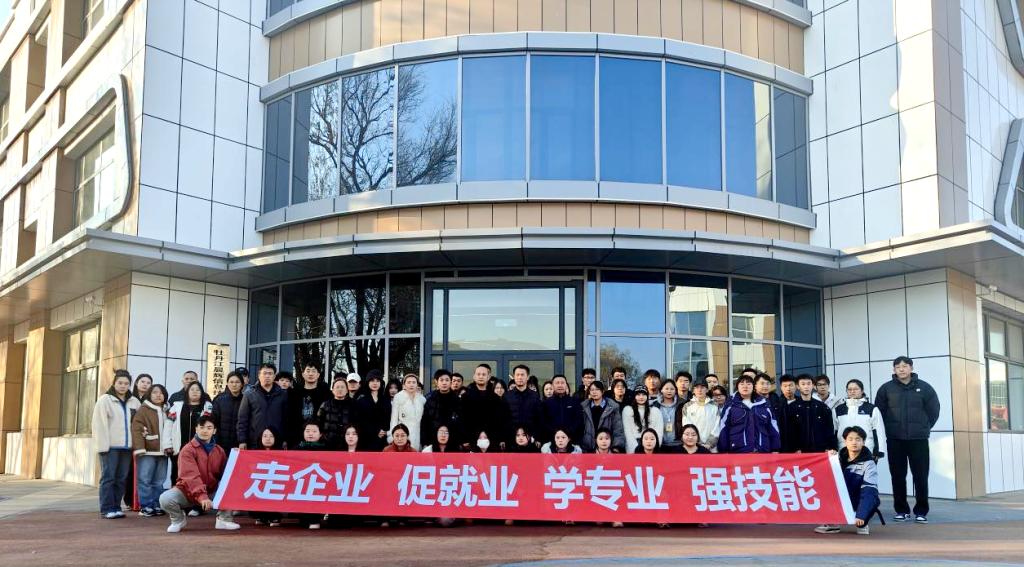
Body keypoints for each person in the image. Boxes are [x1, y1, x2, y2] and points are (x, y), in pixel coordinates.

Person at [875, 356, 940, 523]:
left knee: (920, 476)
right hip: (895, 439)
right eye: (898, 367)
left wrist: (924, 427)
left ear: (911, 368)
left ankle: (921, 511)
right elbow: (879, 414)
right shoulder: (886, 389)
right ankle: (901, 510)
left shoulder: (924, 388)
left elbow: (934, 411)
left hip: (918, 439)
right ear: (894, 370)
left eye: (904, 366)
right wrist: (888, 430)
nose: (901, 369)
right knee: (897, 476)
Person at [158, 416, 240, 533]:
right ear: (196, 429)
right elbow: (190, 476)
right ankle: (178, 520)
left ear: (214, 431)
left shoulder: (219, 451)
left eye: (209, 428)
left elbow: (226, 474)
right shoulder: (187, 450)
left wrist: (235, 457)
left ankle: (224, 519)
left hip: (210, 491)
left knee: (232, 488)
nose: (205, 431)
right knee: (165, 498)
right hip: (187, 491)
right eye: (201, 427)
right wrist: (202, 496)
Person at [815, 426, 881, 535]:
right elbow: (823, 478)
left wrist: (862, 514)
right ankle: (833, 523)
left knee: (872, 496)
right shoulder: (837, 458)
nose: (854, 442)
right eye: (850, 439)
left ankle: (862, 522)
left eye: (858, 439)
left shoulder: (869, 463)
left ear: (863, 442)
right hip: (841, 498)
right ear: (845, 441)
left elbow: (869, 490)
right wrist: (828, 458)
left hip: (857, 499)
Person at [131, 383, 171, 517]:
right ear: (149, 395)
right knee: (145, 479)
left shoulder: (168, 410)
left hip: (163, 452)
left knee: (159, 481)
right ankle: (146, 506)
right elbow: (136, 429)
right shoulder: (144, 409)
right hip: (147, 451)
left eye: (161, 393)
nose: (158, 395)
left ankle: (157, 504)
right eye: (154, 392)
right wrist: (140, 448)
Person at [715, 374, 781, 453]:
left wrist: (775, 449)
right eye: (742, 384)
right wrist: (723, 450)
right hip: (738, 451)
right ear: (737, 387)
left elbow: (773, 426)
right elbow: (723, 428)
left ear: (753, 387)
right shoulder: (731, 405)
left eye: (749, 384)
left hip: (762, 450)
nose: (745, 386)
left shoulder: (764, 404)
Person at [237, 363, 289, 450]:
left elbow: (286, 419)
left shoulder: (282, 394)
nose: (267, 376)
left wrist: (285, 439)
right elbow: (242, 419)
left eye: (270, 373)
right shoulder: (249, 394)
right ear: (259, 375)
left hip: (276, 441)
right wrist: (242, 440)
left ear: (274, 376)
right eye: (264, 373)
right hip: (255, 441)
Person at [835, 379, 887, 460]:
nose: (852, 391)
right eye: (849, 389)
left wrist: (879, 451)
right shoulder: (838, 410)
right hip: (843, 451)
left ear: (862, 391)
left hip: (867, 450)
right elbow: (834, 431)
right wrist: (833, 449)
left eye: (856, 389)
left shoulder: (871, 409)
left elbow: (879, 431)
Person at [459, 364, 506, 448]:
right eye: (478, 374)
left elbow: (500, 420)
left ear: (488, 377)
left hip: (492, 440)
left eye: (484, 374)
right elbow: (462, 419)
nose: (481, 376)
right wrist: (464, 439)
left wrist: (501, 438)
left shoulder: (495, 398)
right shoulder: (466, 397)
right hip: (471, 439)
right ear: (474, 376)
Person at [786, 374, 837, 453]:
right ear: (798, 386)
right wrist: (795, 448)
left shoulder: (823, 407)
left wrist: (830, 447)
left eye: (809, 384)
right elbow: (788, 432)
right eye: (803, 384)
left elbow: (829, 430)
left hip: (820, 451)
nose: (806, 387)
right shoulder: (791, 408)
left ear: (813, 386)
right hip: (799, 453)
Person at [294, 421, 327, 529]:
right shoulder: (297, 448)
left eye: (314, 431)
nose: (310, 434)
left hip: (319, 483)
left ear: (320, 434)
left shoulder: (326, 449)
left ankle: (315, 519)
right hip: (302, 482)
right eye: (307, 431)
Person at [287, 364, 330, 447]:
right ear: (303, 374)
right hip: (296, 438)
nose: (310, 374)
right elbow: (289, 417)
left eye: (313, 371)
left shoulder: (325, 394)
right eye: (308, 371)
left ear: (318, 375)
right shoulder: (294, 393)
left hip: (319, 439)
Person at [580, 381, 626, 452]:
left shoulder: (613, 407)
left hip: (607, 448)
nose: (594, 392)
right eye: (592, 390)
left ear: (602, 391)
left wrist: (616, 447)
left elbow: (618, 429)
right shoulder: (584, 407)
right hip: (588, 448)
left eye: (597, 389)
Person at [251, 427, 283, 527]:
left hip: (275, 482)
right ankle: (261, 516)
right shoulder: (253, 453)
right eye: (265, 436)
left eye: (271, 436)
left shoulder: (283, 453)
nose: (268, 438)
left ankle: (274, 516)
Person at [504, 364, 542, 446]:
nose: (520, 377)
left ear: (527, 377)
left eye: (522, 375)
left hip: (530, 440)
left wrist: (538, 438)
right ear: (514, 377)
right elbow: (504, 419)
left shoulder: (534, 396)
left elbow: (539, 418)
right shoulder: (507, 396)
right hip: (511, 440)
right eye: (517, 375)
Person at [540, 374, 584, 444]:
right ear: (552, 386)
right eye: (557, 383)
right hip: (551, 441)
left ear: (566, 385)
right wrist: (556, 433)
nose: (560, 385)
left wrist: (568, 433)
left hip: (571, 440)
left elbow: (578, 420)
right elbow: (543, 422)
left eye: (562, 383)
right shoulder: (546, 403)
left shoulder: (575, 402)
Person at [422, 369, 460, 449]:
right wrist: (425, 441)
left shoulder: (457, 400)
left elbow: (461, 421)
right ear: (436, 382)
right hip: (433, 441)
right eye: (441, 380)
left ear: (450, 382)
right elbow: (425, 422)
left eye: (447, 380)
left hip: (453, 441)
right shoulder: (430, 400)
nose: (444, 383)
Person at [318, 376, 358, 449]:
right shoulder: (325, 405)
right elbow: (318, 422)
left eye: (342, 387)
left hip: (347, 443)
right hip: (327, 443)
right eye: (337, 387)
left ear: (347, 390)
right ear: (332, 390)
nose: (340, 389)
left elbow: (356, 424)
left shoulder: (353, 405)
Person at [390, 373, 427, 450]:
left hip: (417, 435)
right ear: (404, 385)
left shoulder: (422, 399)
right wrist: (392, 436)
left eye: (414, 382)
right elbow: (394, 419)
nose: (411, 385)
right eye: (409, 382)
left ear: (417, 385)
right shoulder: (398, 397)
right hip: (402, 435)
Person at [680, 378, 719, 451]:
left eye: (702, 387)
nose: (699, 390)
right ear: (693, 390)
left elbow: (717, 427)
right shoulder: (687, 406)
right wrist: (697, 443)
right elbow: (686, 426)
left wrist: (709, 444)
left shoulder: (715, 406)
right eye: (697, 387)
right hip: (693, 446)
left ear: (707, 390)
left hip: (711, 447)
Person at [357, 369, 391, 451]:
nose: (375, 383)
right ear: (368, 382)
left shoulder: (386, 400)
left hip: (383, 439)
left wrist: (383, 431)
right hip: (366, 439)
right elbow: (360, 421)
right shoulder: (361, 401)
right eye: (372, 380)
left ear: (381, 383)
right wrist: (375, 431)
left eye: (377, 381)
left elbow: (388, 418)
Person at [622, 387, 663, 454]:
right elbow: (627, 432)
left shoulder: (655, 411)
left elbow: (659, 432)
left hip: (651, 447)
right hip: (633, 447)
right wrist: (636, 450)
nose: (641, 397)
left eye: (644, 395)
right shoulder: (628, 410)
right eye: (638, 395)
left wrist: (654, 447)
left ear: (647, 396)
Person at [211, 371, 245, 451]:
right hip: (220, 444)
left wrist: (243, 440)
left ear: (242, 384)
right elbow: (213, 421)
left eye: (237, 382)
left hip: (239, 444)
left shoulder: (246, 400)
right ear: (227, 384)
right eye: (231, 382)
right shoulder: (219, 399)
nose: (234, 385)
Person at [651, 380, 683, 453]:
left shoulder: (681, 404)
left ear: (676, 390)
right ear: (661, 390)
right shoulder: (655, 405)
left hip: (678, 443)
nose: (669, 391)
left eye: (672, 389)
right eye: (666, 389)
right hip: (660, 443)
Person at [774, 374, 799, 451]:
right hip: (781, 446)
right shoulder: (775, 404)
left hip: (799, 447)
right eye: (785, 386)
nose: (788, 388)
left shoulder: (801, 403)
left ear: (796, 386)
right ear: (781, 388)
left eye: (791, 385)